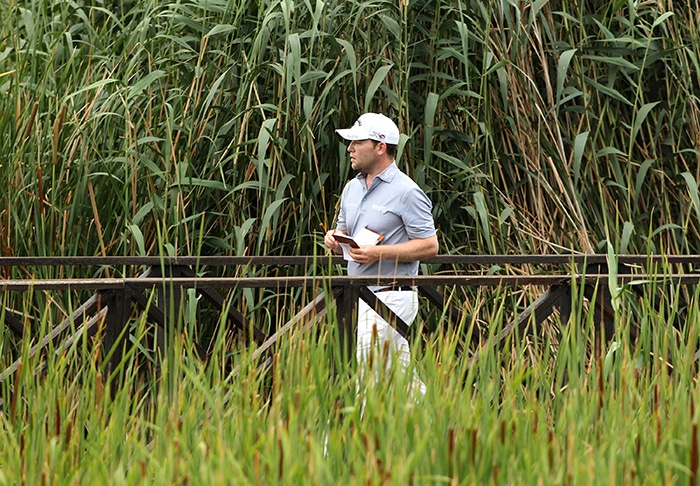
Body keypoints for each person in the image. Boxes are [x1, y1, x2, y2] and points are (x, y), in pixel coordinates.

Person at [323, 112, 439, 398]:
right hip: (356, 296)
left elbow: (429, 245)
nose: (349, 148)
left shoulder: (406, 191)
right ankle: (436, 428)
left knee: (366, 378)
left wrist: (378, 253)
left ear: (380, 146)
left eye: (356, 142)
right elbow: (342, 231)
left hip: (391, 296)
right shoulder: (352, 188)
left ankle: (344, 441)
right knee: (401, 381)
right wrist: (334, 240)